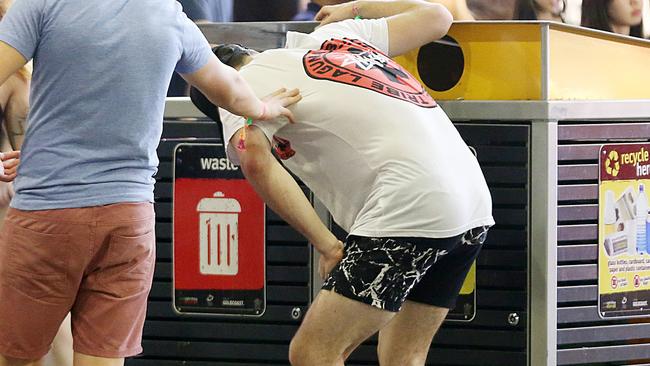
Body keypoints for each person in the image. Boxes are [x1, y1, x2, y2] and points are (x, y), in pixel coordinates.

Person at [192, 1, 494, 364]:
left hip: (408, 203)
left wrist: (327, 245)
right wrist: (353, 9)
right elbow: (438, 17)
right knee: (404, 356)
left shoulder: (238, 88)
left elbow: (253, 157)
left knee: (313, 353)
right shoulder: (335, 36)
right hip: (472, 201)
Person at [0, 1, 300, 365]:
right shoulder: (167, 14)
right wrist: (265, 109)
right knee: (102, 357)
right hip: (128, 218)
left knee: (17, 355)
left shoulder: (43, 5)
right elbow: (232, 90)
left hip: (47, 215)